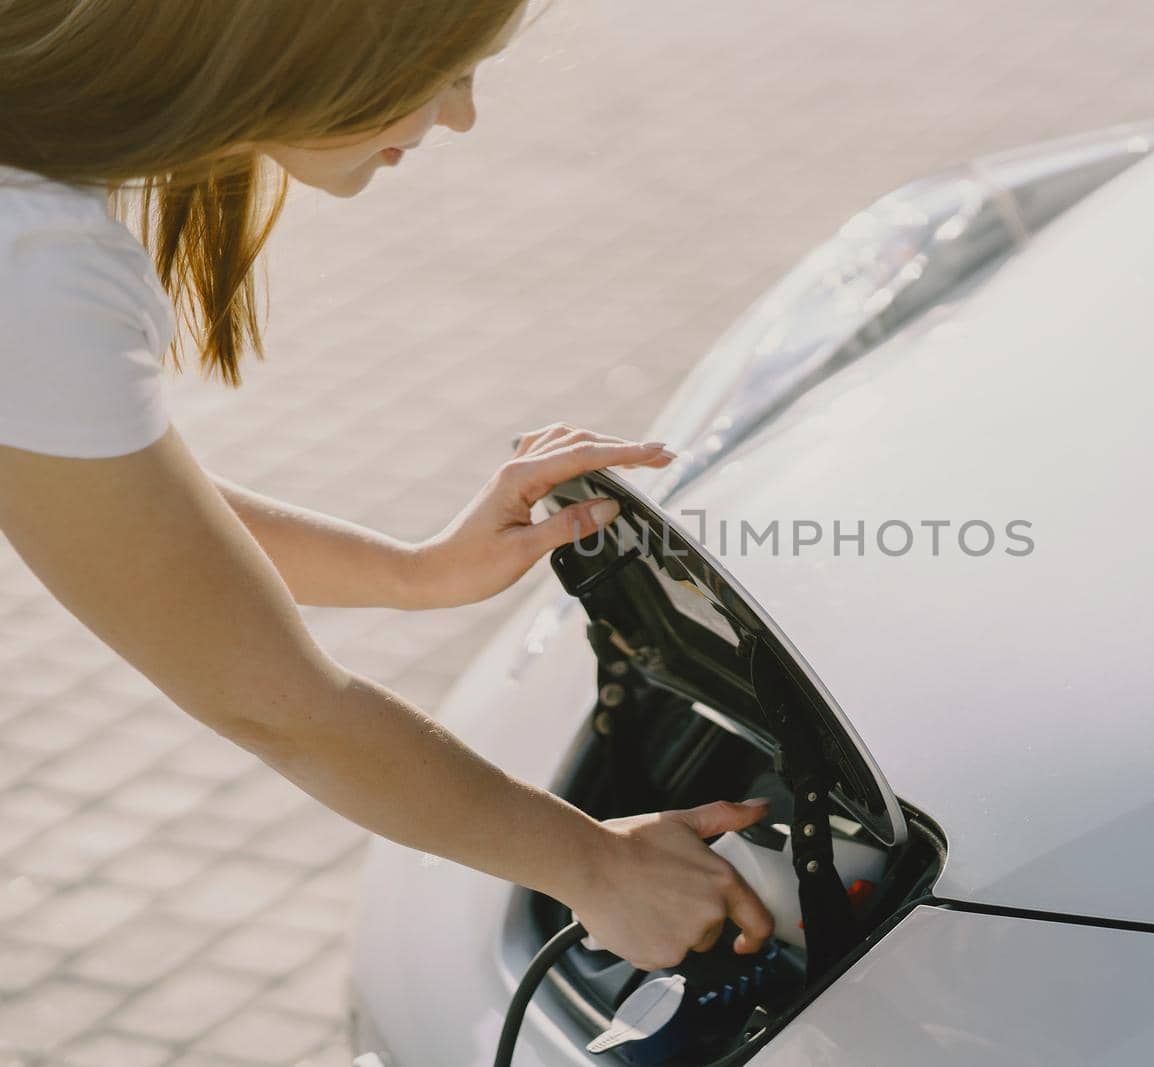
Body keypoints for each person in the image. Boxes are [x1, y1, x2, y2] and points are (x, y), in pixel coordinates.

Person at [0, 0, 774, 973]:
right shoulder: (36, 257)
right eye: (448, 72)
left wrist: (416, 574)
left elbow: (121, 509)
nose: (461, 117)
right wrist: (595, 865)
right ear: (320, 40)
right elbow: (273, 701)